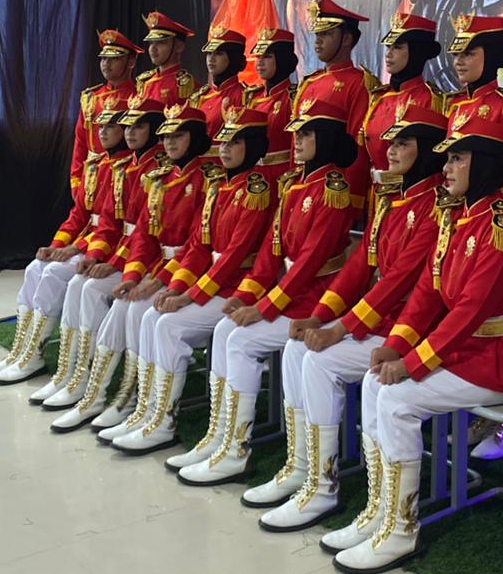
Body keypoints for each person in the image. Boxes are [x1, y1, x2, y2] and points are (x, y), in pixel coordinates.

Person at [332, 112, 503, 574]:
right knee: (374, 384)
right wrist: (398, 344)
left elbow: (470, 310)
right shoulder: (458, 216)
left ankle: (401, 530)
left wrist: (413, 364)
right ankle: (379, 511)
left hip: (502, 360)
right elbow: (428, 293)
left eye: (458, 159)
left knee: (397, 400)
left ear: (484, 164)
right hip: (468, 353)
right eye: (447, 159)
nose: (446, 168)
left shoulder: (502, 225)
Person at [250, 104, 448, 532]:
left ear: (429, 149)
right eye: (390, 142)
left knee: (320, 362)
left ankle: (332, 489)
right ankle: (306, 470)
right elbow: (360, 265)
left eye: (403, 143)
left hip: (412, 329)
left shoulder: (436, 208)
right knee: (299, 350)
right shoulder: (393, 198)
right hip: (384, 322)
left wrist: (338, 328)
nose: (390, 151)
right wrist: (320, 317)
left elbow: (397, 281)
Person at [172, 100, 358, 486]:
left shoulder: (332, 188)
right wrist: (248, 295)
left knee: (241, 341)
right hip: (289, 294)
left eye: (307, 134)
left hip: (314, 299)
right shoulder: (293, 183)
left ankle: (240, 450)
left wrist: (266, 307)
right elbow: (272, 252)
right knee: (227, 330)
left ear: (325, 138)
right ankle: (222, 437)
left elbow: (310, 261)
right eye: (297, 133)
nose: (297, 140)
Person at [112, 108, 277, 454]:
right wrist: (175, 286)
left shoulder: (257, 189)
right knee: (152, 316)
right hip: (210, 283)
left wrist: (189, 296)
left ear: (252, 145)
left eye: (235, 143)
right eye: (223, 143)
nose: (225, 149)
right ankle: (149, 411)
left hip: (235, 288)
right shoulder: (220, 186)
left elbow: (234, 255)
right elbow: (198, 246)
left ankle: (165, 421)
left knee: (168, 325)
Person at [48, 101, 213, 432]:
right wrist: (134, 275)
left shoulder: (208, 181)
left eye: (178, 136)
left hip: (191, 272)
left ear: (194, 137)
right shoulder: (160, 179)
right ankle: (95, 392)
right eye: (166, 136)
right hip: (157, 266)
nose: (169, 143)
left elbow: (197, 246)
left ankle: (133, 400)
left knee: (134, 307)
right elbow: (144, 236)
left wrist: (157, 281)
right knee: (119, 300)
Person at [0, 108, 128, 384]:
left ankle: (46, 358)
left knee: (54, 273)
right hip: (90, 241)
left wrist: (75, 248)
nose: (102, 132)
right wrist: (57, 244)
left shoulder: (126, 169)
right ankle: (23, 350)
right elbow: (78, 216)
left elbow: (115, 227)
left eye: (111, 126)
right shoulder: (95, 165)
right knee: (35, 267)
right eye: (100, 127)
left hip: (109, 247)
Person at [445, 13, 503, 460]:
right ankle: (478, 412)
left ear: (492, 56)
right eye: (457, 53)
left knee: (497, 319)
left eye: (470, 52)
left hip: (496, 228)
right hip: (463, 222)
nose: (460, 60)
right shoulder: (455, 107)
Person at [293, 0, 379, 207]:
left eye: (327, 34)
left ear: (347, 39)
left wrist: (351, 199)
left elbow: (357, 145)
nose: (318, 41)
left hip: (335, 190)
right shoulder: (309, 83)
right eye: (317, 34)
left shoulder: (359, 82)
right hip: (303, 184)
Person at [360, 13, 445, 182]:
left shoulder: (431, 100)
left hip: (411, 191)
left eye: (397, 47)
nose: (389, 54)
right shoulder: (378, 98)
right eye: (388, 47)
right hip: (375, 192)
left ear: (416, 52)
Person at [69, 28, 141, 195]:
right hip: (92, 178)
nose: (106, 63)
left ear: (131, 62)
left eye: (114, 58)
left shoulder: (139, 96)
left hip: (124, 177)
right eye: (103, 58)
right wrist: (76, 180)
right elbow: (80, 143)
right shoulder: (91, 98)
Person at [243, 27, 297, 183]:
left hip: (281, 176)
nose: (260, 62)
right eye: (258, 56)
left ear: (281, 59)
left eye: (267, 56)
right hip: (253, 177)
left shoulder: (294, 97)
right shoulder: (252, 97)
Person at [191, 24, 249, 159]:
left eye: (218, 53)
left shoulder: (245, 96)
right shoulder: (199, 97)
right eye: (209, 53)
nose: (211, 59)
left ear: (232, 57)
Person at [135, 11, 199, 106]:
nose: (153, 48)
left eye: (161, 42)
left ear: (179, 46)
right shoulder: (146, 82)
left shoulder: (184, 86)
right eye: (151, 43)